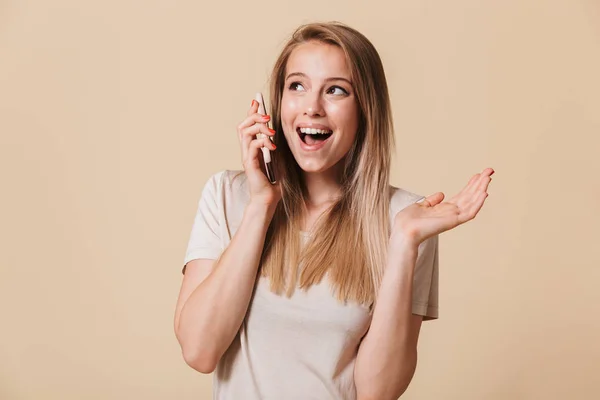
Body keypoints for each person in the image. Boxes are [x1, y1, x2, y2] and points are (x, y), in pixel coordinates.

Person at [174, 21, 494, 400]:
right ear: (277, 103)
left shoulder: (408, 219)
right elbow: (199, 350)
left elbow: (379, 391)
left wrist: (405, 243)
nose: (312, 107)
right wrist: (262, 205)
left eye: (336, 91)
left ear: (365, 108)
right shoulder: (227, 196)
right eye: (297, 85)